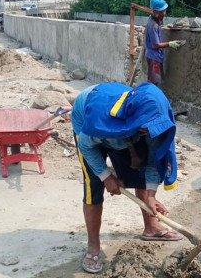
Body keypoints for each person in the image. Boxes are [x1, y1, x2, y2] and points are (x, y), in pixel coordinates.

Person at [72, 82, 181, 274]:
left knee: (140, 173)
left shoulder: (153, 119)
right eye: (147, 128)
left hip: (126, 131)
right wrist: (106, 176)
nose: (151, 132)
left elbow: (151, 161)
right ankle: (93, 247)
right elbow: (85, 145)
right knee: (94, 189)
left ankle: (151, 228)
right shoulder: (101, 119)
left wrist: (151, 195)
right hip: (91, 125)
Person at [145, 0, 184, 86]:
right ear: (155, 11)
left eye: (164, 11)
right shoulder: (153, 25)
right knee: (154, 82)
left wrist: (164, 27)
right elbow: (155, 45)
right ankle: (151, 98)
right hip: (154, 57)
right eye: (162, 11)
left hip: (154, 56)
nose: (164, 13)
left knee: (154, 79)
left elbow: (156, 29)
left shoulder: (154, 19)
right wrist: (170, 43)